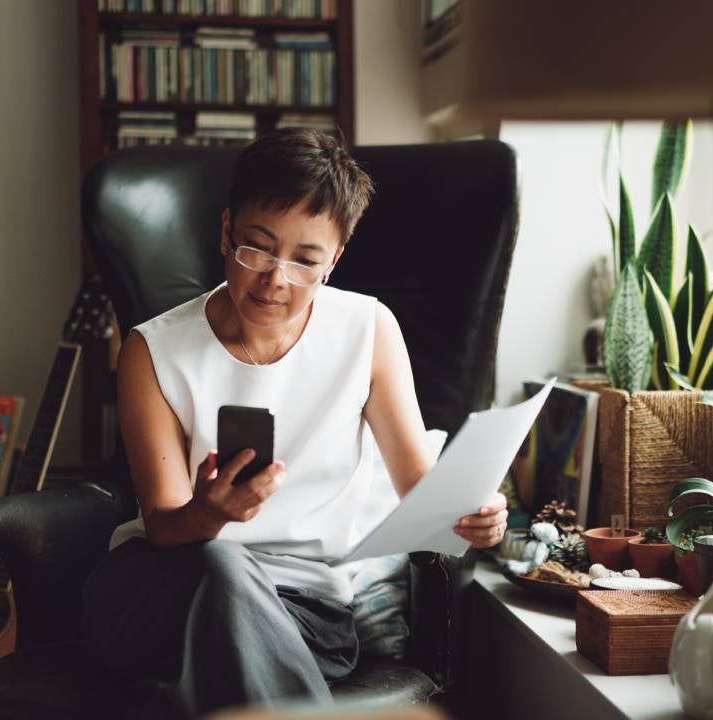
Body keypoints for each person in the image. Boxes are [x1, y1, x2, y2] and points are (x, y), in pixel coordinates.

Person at [81, 128, 508, 719]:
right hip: (162, 587)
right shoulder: (152, 350)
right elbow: (161, 525)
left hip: (305, 613)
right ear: (226, 230)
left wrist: (472, 516)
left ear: (334, 259)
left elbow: (421, 490)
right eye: (256, 248)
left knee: (192, 674)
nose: (275, 279)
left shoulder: (368, 330)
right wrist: (212, 514)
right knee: (223, 563)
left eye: (305, 261)